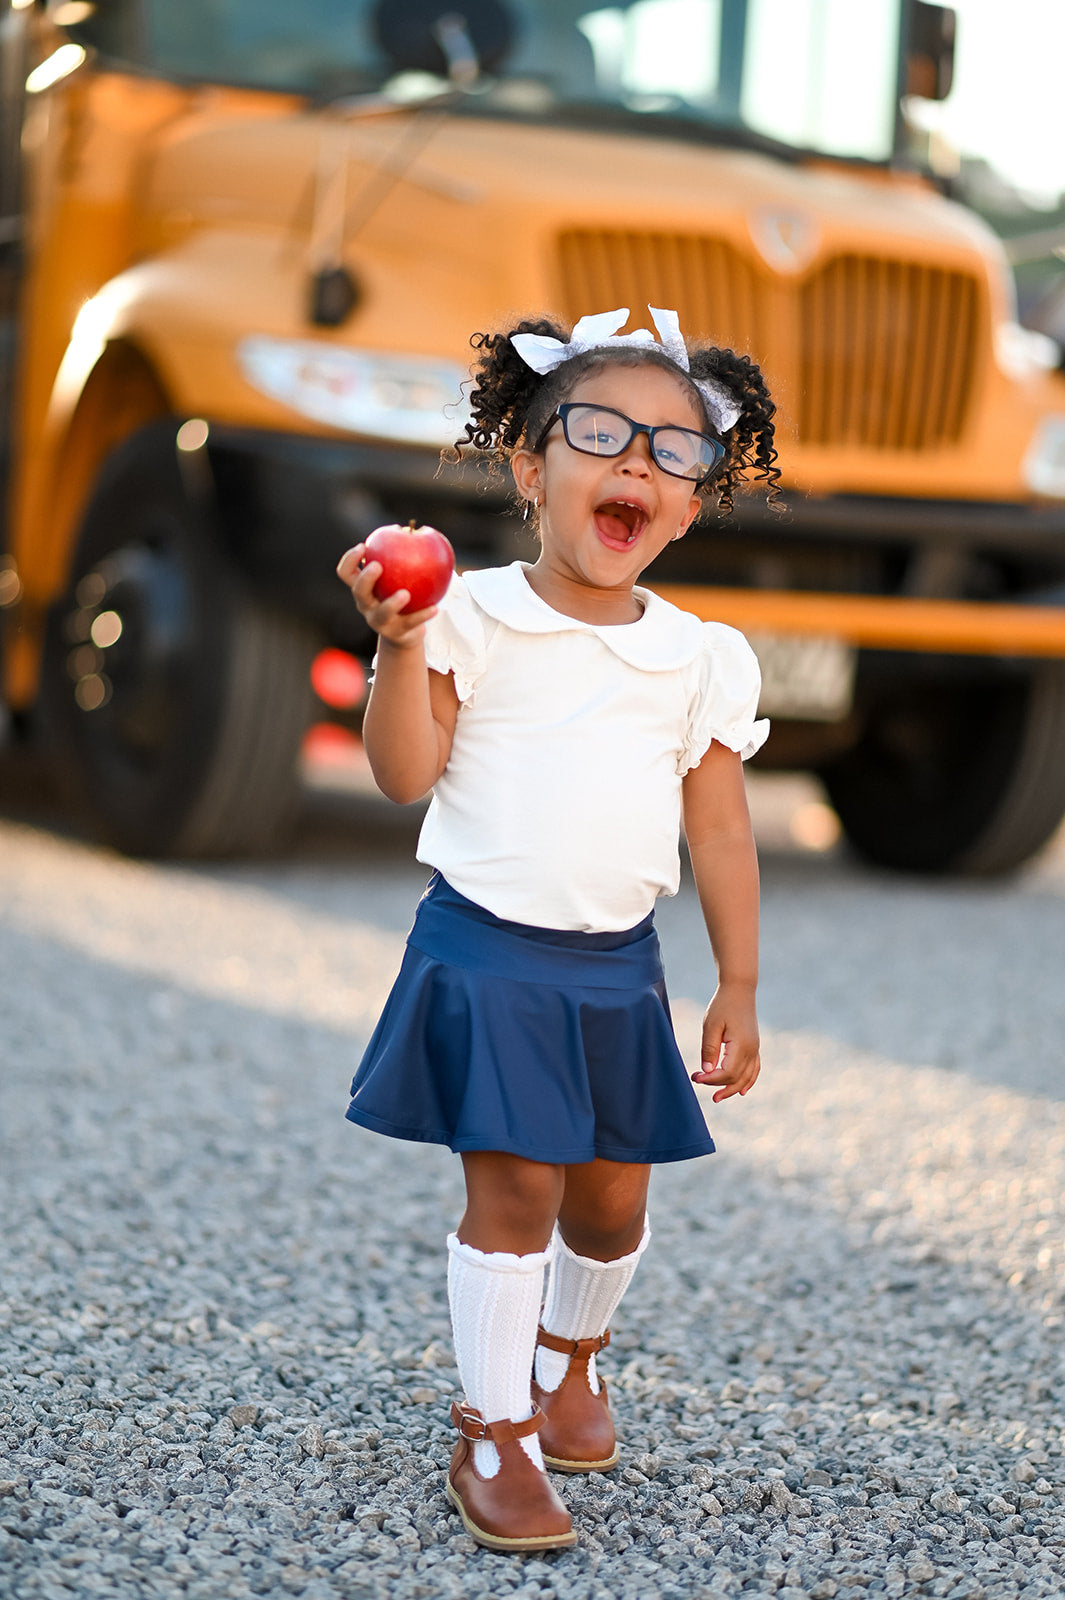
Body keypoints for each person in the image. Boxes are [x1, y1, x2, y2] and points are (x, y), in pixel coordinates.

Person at [336, 305, 780, 1553]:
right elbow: (404, 772)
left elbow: (724, 833)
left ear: (693, 503)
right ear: (532, 468)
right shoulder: (468, 616)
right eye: (601, 433)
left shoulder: (699, 657)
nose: (637, 460)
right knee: (520, 1182)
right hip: (487, 950)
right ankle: (494, 1428)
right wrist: (399, 647)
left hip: (613, 966)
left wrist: (736, 979)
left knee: (609, 1203)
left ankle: (568, 1359)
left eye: (673, 449)